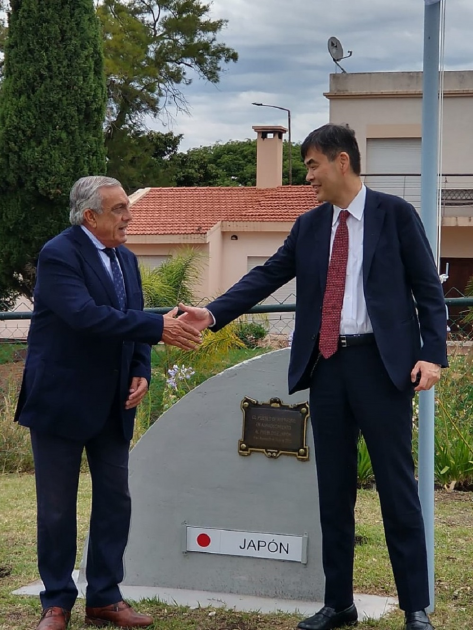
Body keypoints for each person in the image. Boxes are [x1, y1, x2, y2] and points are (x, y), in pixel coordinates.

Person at [178, 124, 447, 630]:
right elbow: (266, 275)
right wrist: (212, 313)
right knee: (334, 490)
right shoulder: (308, 225)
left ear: (341, 161)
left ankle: (415, 607)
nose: (309, 177)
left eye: (311, 165)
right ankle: (338, 602)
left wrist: (432, 356)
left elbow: (429, 291)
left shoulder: (396, 215)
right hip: (326, 367)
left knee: (397, 488)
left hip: (381, 367)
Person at [15, 176, 201, 630]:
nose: (128, 217)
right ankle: (56, 603)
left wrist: (142, 367)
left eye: (126, 209)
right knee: (57, 508)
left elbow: (130, 320)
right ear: (90, 216)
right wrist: (158, 329)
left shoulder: (126, 259)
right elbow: (83, 316)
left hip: (115, 402)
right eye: (119, 209)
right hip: (60, 401)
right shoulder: (59, 254)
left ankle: (104, 597)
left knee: (115, 500)